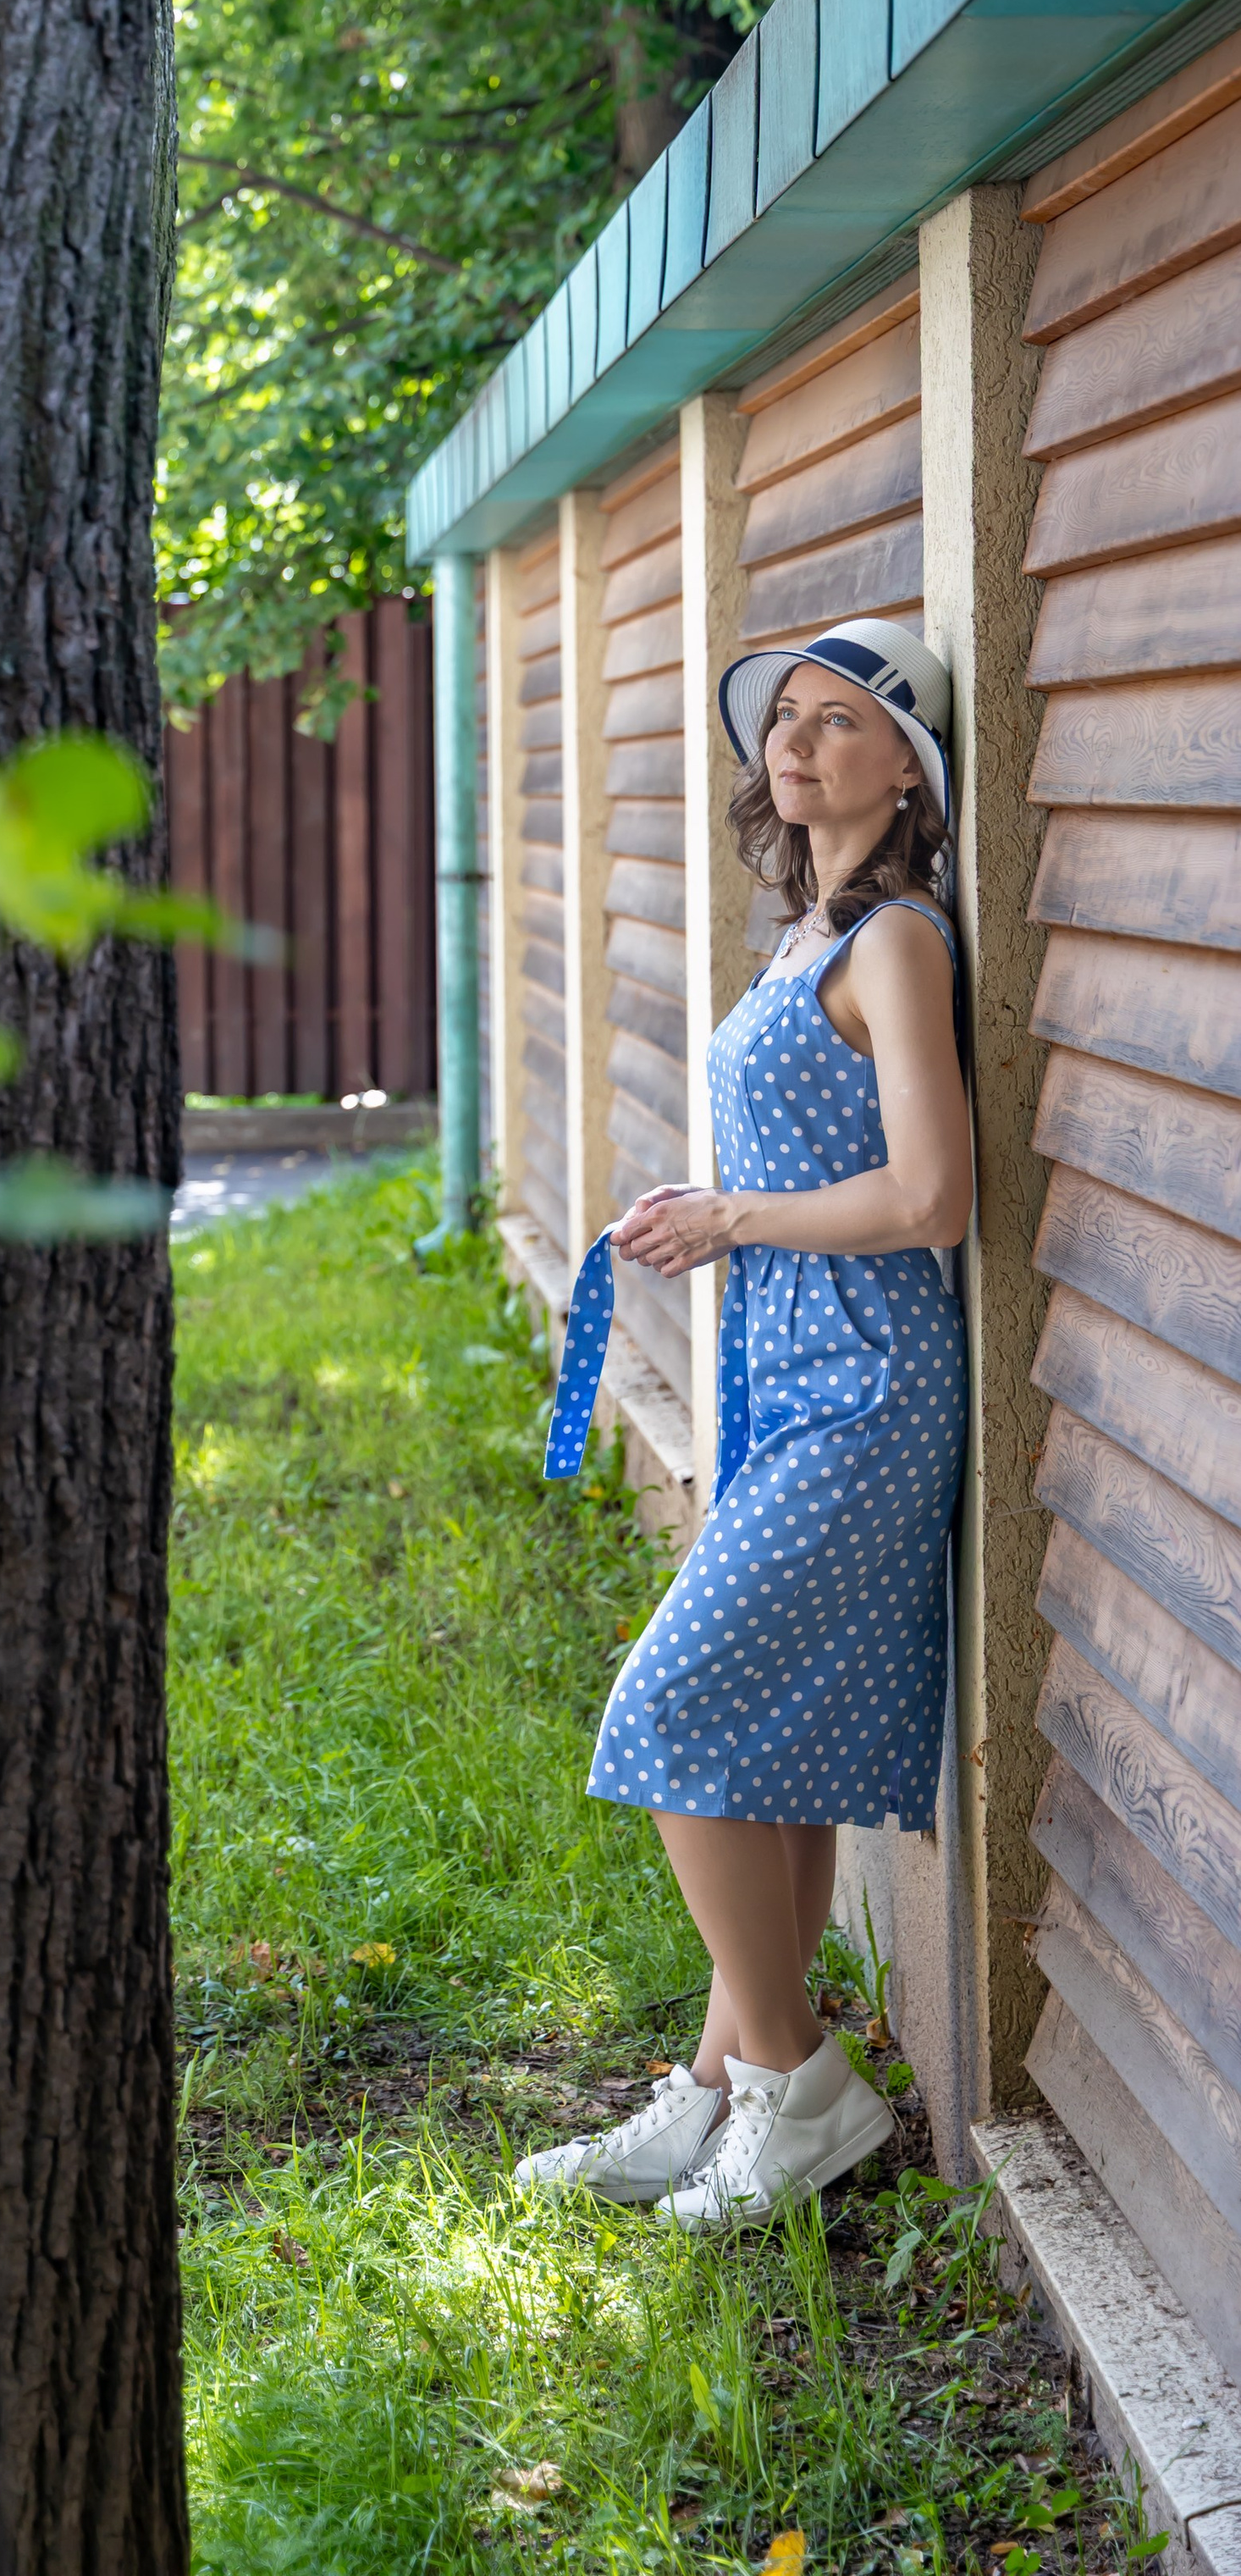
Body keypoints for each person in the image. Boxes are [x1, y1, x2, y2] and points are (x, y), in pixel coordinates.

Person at [514, 616, 971, 2229]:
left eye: (840, 721)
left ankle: (799, 2086)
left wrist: (735, 1217)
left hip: (868, 1382)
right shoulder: (804, 938)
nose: (796, 740)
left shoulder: (896, 942)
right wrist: (714, 1216)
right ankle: (718, 2092)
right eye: (785, 716)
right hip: (787, 1375)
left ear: (907, 770)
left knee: (674, 1708)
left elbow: (931, 1198)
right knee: (772, 1751)